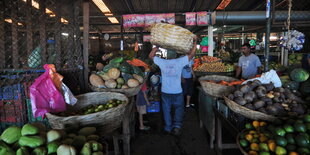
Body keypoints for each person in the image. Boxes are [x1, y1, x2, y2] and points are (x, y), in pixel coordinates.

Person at [149, 36, 197, 136]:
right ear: (175, 54)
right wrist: (195, 42)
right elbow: (192, 54)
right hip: (177, 92)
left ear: (167, 55)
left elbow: (150, 56)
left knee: (166, 110)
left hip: (165, 92)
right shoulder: (180, 61)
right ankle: (177, 127)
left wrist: (157, 46)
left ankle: (167, 128)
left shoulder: (162, 62)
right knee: (179, 110)